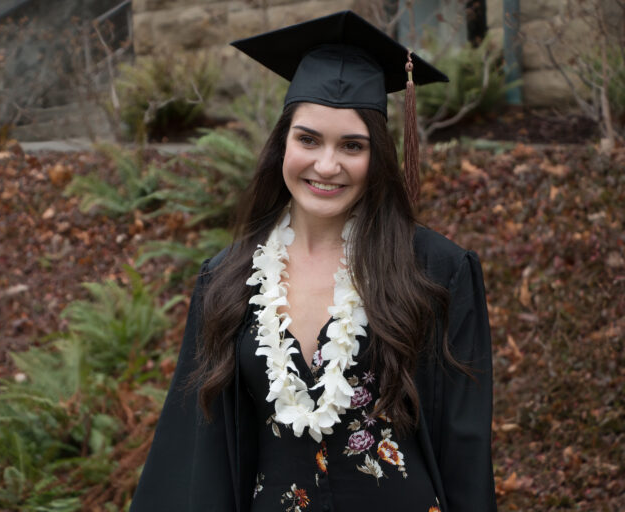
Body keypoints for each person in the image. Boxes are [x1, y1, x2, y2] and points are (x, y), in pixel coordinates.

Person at [130, 10, 496, 512]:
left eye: (352, 145)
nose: (327, 165)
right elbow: (195, 449)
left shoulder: (435, 271)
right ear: (282, 143)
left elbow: (465, 448)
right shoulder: (228, 278)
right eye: (308, 139)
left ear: (378, 156)